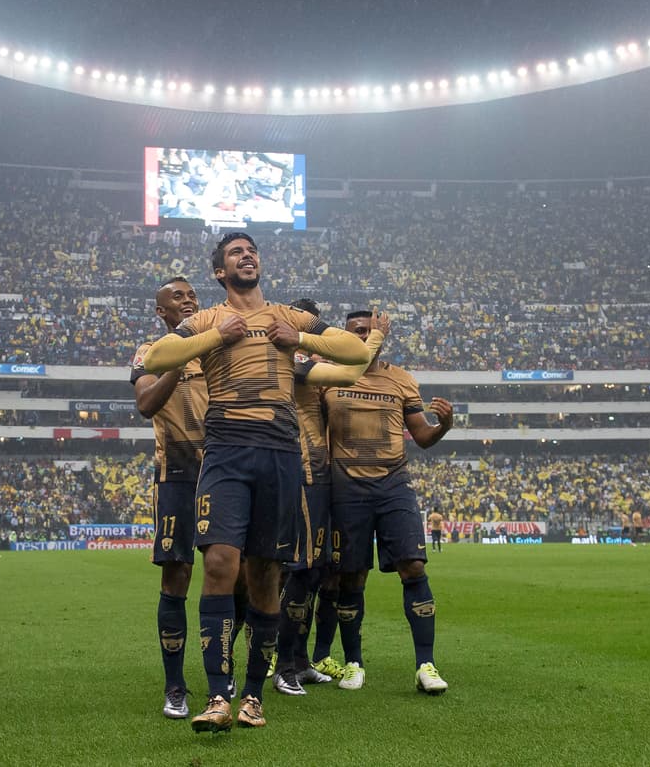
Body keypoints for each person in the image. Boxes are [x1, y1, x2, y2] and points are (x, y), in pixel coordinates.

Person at [142, 232, 370, 732]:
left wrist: (302, 341)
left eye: (252, 250)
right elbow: (156, 358)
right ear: (220, 273)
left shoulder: (290, 317)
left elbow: (353, 350)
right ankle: (218, 696)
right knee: (221, 563)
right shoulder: (205, 320)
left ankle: (252, 695)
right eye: (234, 253)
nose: (247, 256)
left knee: (266, 574)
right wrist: (217, 338)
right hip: (225, 449)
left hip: (280, 450)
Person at [322, 310, 453, 695]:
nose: (363, 336)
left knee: (413, 566)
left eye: (369, 331)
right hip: (346, 489)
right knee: (352, 575)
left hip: (394, 485)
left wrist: (444, 424)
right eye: (356, 332)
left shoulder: (402, 380)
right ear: (343, 337)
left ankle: (425, 664)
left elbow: (423, 437)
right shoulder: (329, 377)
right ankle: (353, 662)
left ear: (382, 335)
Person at [275, 299, 384, 698]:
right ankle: (283, 663)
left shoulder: (302, 361)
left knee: (314, 572)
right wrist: (374, 337)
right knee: (301, 570)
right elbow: (351, 371)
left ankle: (299, 661)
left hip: (319, 473)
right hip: (303, 470)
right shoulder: (292, 361)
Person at [131, 277, 209, 720]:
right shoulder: (151, 352)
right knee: (177, 573)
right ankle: (175, 685)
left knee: (231, 572)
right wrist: (180, 361)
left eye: (191, 294)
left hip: (224, 471)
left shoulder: (218, 344)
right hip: (177, 473)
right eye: (177, 297)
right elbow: (145, 404)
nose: (188, 300)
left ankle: (223, 671)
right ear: (162, 313)